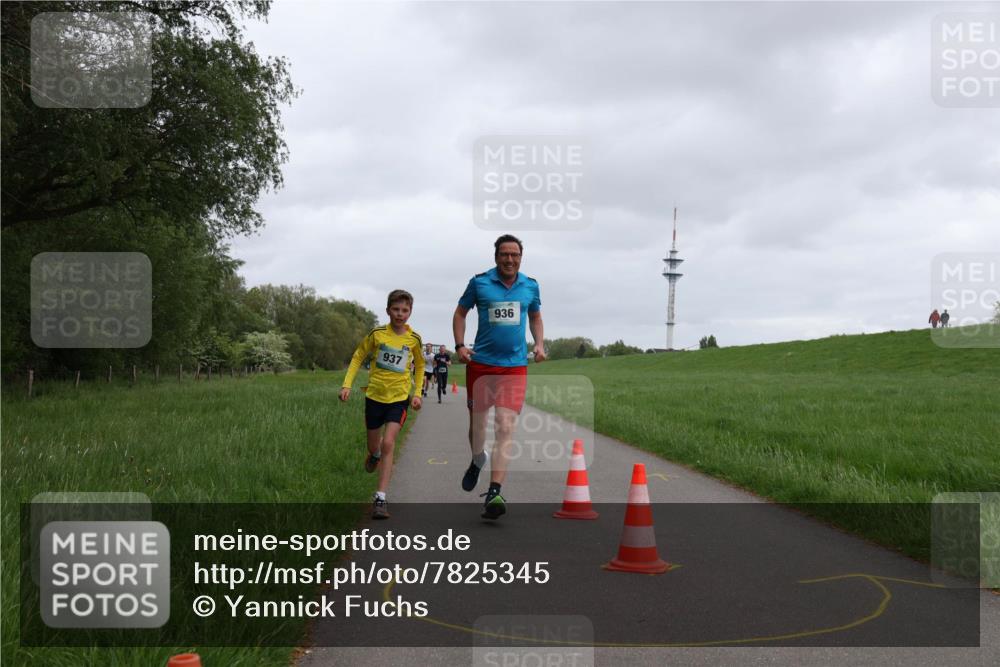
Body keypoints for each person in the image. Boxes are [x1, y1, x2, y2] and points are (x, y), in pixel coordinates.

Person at [452, 234, 545, 519]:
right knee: (477, 427)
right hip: (481, 365)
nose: (509, 259)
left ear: (521, 257)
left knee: (505, 426)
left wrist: (539, 343)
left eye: (514, 254)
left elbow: (535, 317)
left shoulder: (530, 286)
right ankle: (478, 459)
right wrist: (460, 345)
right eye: (504, 254)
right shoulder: (479, 283)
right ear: (496, 257)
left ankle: (495, 490)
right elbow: (460, 313)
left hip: (514, 367)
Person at [340, 289, 424, 519]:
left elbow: (420, 366)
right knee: (374, 445)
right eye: (395, 309)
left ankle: (380, 498)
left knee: (389, 443)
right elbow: (358, 356)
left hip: (398, 399)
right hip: (375, 397)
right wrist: (347, 385)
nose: (400, 314)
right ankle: (374, 454)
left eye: (404, 310)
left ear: (410, 312)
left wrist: (417, 393)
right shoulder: (377, 334)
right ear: (388, 310)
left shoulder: (414, 339)